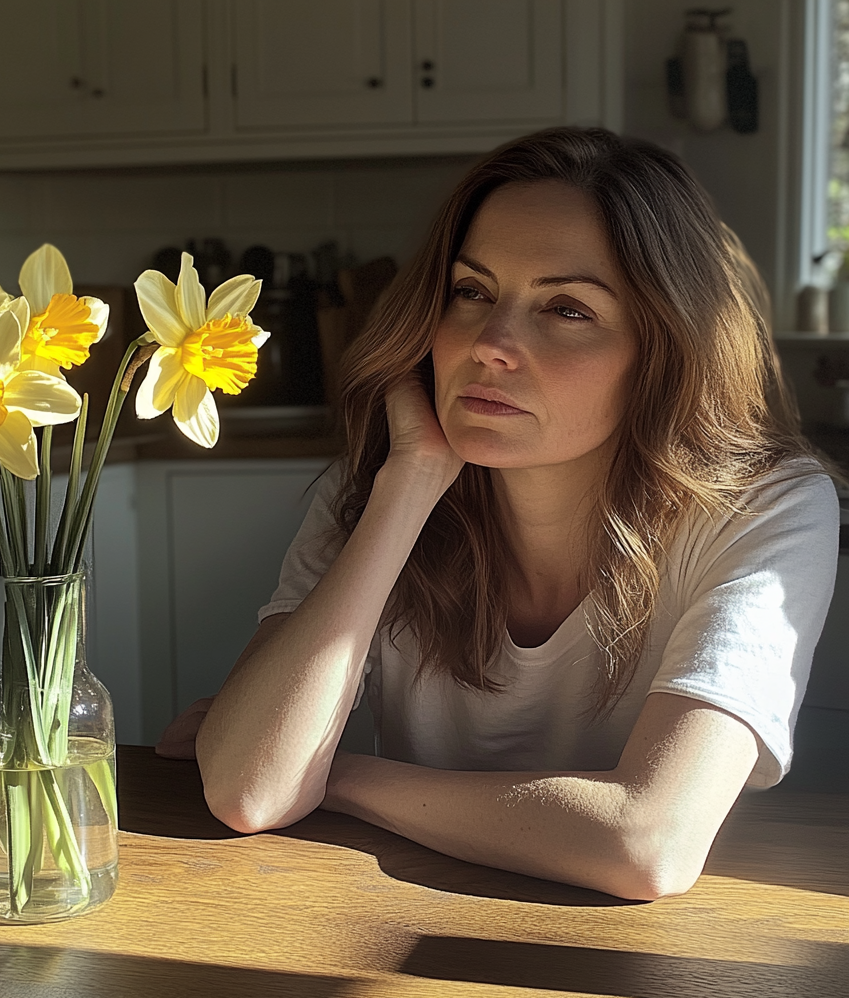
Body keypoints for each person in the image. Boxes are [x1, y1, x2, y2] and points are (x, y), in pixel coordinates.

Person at [157, 127, 840, 901]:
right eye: (472, 292)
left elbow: (648, 841)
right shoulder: (384, 484)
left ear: (663, 351)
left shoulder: (766, 505)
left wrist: (337, 774)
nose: (492, 344)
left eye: (567, 309)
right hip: (405, 914)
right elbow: (252, 789)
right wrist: (411, 482)